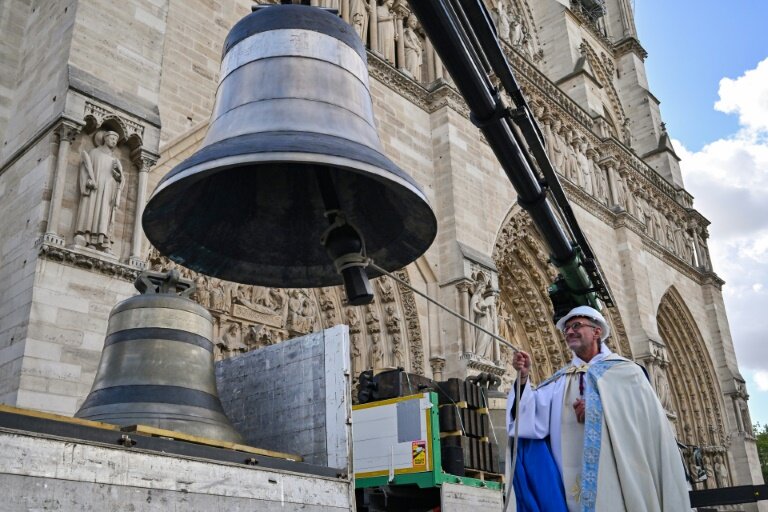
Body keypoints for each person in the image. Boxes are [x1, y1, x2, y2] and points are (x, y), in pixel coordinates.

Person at [506, 305, 690, 511]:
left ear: (597, 332)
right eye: (566, 329)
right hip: (568, 483)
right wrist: (523, 378)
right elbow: (529, 420)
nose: (569, 332)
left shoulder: (627, 372)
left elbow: (645, 424)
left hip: (619, 474)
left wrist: (597, 410)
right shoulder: (560, 381)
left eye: (576, 325)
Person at [74, 130, 124, 251]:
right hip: (95, 191)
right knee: (92, 212)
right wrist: (88, 181)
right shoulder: (94, 153)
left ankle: (104, 241)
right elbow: (85, 170)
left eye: (115, 140)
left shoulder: (115, 160)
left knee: (105, 214)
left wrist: (119, 177)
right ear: (105, 138)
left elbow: (120, 179)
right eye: (112, 138)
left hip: (108, 191)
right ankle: (89, 238)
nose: (114, 141)